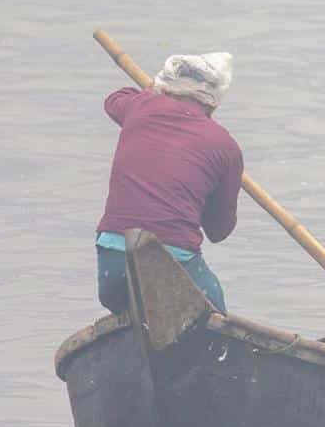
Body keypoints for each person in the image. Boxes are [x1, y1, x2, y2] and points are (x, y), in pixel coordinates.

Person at [94, 52, 242, 314]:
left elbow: (114, 99)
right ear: (213, 101)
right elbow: (219, 231)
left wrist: (152, 94)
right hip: (176, 264)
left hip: (114, 266)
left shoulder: (139, 106)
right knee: (216, 314)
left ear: (164, 86)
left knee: (127, 301)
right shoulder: (225, 146)